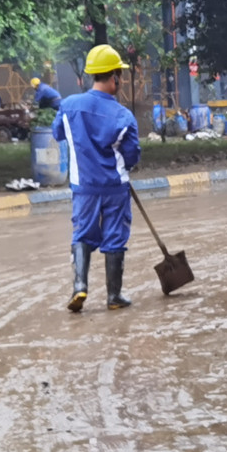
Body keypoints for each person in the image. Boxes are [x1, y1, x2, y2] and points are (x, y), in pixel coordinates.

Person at [60, 44, 143, 312]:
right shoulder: (123, 115)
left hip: (83, 186)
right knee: (115, 236)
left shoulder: (69, 106)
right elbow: (132, 154)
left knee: (82, 232)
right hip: (114, 187)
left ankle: (80, 287)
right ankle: (114, 297)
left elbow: (58, 134)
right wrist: (124, 167)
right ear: (114, 77)